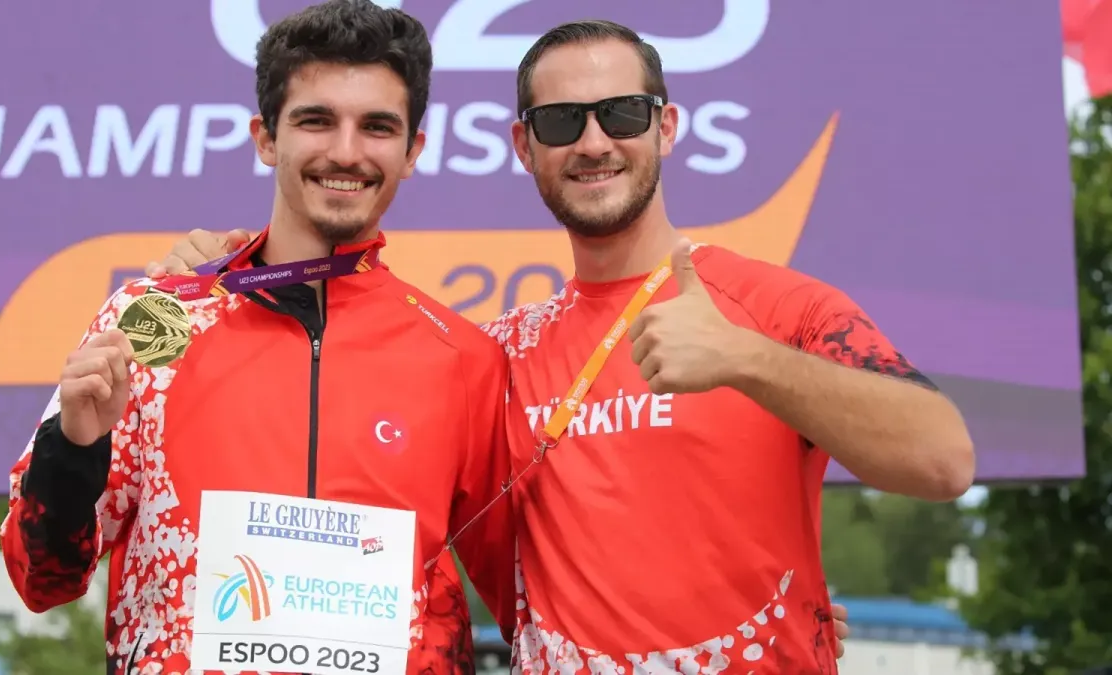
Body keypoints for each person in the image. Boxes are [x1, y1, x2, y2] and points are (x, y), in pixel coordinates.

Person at [149, 15, 974, 675]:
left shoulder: (777, 307)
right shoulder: (491, 357)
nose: (592, 142)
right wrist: (227, 272)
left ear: (667, 126)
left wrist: (747, 359)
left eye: (621, 113)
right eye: (559, 121)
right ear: (523, 146)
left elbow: (943, 462)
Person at [0, 2, 517, 674]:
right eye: (316, 119)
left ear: (413, 149)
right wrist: (74, 448)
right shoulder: (158, 319)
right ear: (267, 138)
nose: (346, 151)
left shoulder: (463, 358)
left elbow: (527, 603)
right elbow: (41, 579)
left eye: (378, 127)